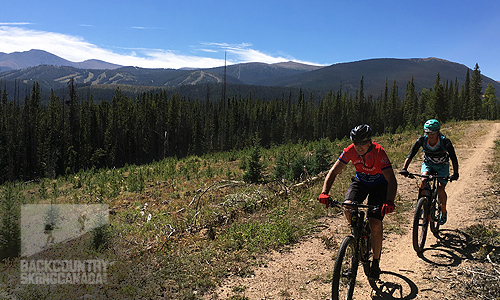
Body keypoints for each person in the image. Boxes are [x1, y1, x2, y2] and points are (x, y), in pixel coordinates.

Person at [318, 124, 397, 281]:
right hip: (361, 181)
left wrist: (389, 201)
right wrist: (325, 192)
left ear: (370, 142)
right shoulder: (350, 151)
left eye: (362, 143)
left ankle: (375, 261)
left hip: (380, 185)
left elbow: (391, 179)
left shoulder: (379, 152)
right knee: (347, 206)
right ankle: (356, 234)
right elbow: (334, 171)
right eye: (356, 143)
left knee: (375, 223)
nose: (359, 147)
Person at [399, 119, 459, 225]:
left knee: (440, 189)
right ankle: (421, 205)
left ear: (438, 132)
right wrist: (404, 168)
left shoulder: (445, 141)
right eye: (427, 132)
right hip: (428, 164)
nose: (430, 135)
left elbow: (453, 158)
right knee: (423, 181)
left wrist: (455, 173)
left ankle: (443, 211)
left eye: (432, 133)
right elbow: (411, 154)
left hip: (442, 166)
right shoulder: (422, 140)